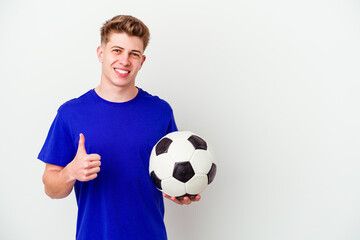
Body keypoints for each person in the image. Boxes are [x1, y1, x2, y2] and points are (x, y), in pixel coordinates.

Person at [38, 15, 200, 240]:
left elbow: (172, 167)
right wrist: (71, 172)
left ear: (142, 61)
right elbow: (51, 189)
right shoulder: (70, 114)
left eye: (134, 54)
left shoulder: (160, 111)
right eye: (117, 50)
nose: (125, 60)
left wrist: (181, 189)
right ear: (101, 53)